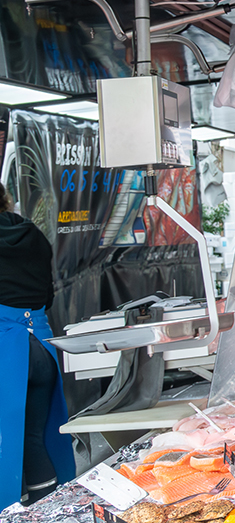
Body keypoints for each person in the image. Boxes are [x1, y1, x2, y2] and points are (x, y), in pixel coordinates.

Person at [0, 185, 75, 507]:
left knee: (7, 441)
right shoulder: (32, 234)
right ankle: (49, 508)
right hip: (41, 347)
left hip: (7, 350)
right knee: (34, 436)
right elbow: (47, 295)